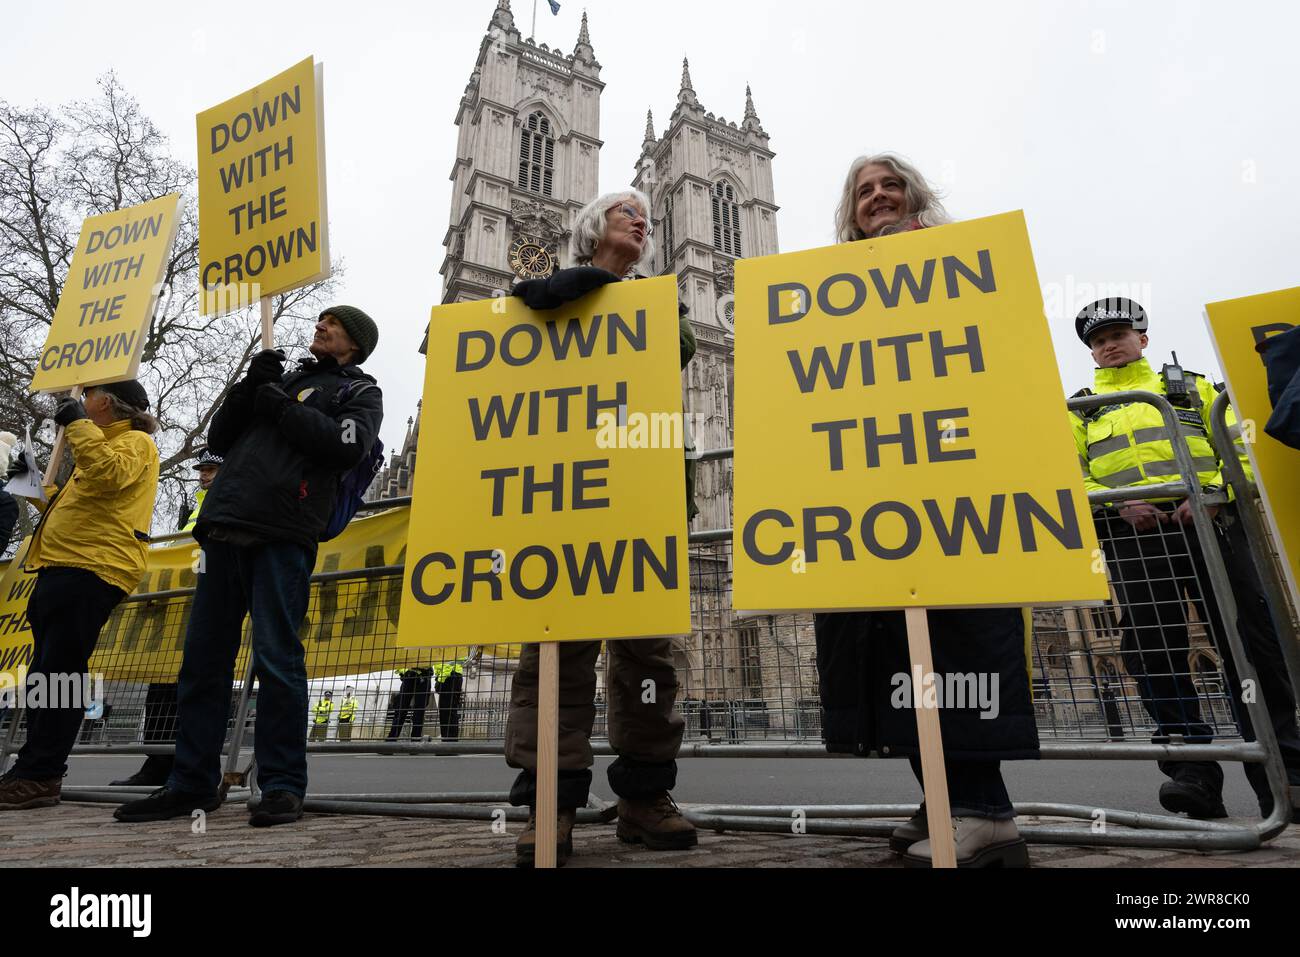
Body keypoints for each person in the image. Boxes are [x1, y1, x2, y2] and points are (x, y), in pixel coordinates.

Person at [815, 154, 1039, 867]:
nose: (877, 197)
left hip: (950, 489)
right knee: (890, 650)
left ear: (915, 194)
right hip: (871, 496)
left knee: (954, 644)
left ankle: (984, 809)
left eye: (889, 185)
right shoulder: (827, 288)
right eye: (864, 191)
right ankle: (943, 795)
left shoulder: (956, 261)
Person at [115, 305, 383, 828]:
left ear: (354, 342)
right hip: (224, 527)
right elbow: (221, 440)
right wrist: (249, 389)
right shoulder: (281, 379)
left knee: (277, 658)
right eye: (320, 321)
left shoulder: (360, 391)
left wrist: (281, 406)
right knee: (201, 663)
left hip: (283, 533)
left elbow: (344, 446)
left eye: (333, 324)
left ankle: (282, 784)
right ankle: (190, 781)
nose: (320, 327)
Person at [504, 188, 699, 867]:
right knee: (556, 653)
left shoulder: (659, 303)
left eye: (647, 217)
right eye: (626, 214)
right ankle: (548, 802)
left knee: (648, 661)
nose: (641, 222)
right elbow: (524, 323)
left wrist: (613, 287)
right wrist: (581, 283)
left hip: (643, 497)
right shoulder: (540, 294)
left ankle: (645, 796)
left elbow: (676, 348)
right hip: (563, 500)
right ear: (593, 229)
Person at [1069, 298, 1300, 821]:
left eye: (1118, 334)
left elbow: (1238, 447)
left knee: (1251, 644)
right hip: (1134, 538)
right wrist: (1119, 504)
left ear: (1142, 339)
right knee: (1154, 650)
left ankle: (1283, 772)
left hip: (1209, 526)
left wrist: (1212, 493)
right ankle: (1192, 773)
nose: (1109, 344)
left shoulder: (1191, 386)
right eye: (1098, 340)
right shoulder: (1081, 406)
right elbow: (1070, 471)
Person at [0, 380, 160, 811]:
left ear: (104, 402)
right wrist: (27, 480)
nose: (81, 403)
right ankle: (32, 767)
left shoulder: (136, 443)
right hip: (64, 565)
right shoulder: (103, 446)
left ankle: (42, 772)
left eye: (87, 397)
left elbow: (109, 477)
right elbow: (70, 506)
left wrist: (75, 424)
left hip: (93, 568)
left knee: (60, 672)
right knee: (45, 675)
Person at [111, 447, 224, 788]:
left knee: (189, 685)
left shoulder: (226, 501)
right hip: (175, 604)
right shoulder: (192, 505)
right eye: (202, 469)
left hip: (203, 602)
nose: (203, 474)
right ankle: (156, 760)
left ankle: (184, 764)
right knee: (159, 682)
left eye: (210, 469)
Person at [387, 667, 434, 741]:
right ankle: (413, 740)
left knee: (408, 710)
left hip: (418, 674)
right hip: (417, 674)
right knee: (406, 710)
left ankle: (392, 740)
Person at [434, 659, 465, 742]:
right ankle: (450, 742)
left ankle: (447, 742)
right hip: (452, 675)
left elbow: (448, 664)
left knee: (446, 712)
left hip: (448, 676)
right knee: (450, 711)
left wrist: (440, 679)